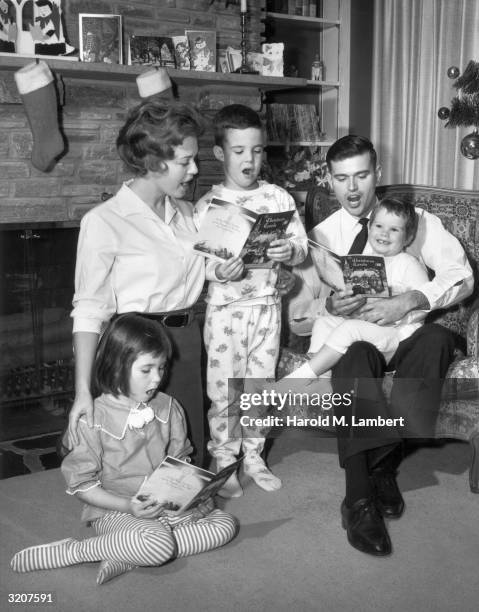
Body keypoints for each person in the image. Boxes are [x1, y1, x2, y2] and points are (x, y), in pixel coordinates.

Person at [286, 135, 474, 556]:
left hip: (407, 332)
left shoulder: (416, 221)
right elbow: (298, 321)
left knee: (439, 339)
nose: (352, 189)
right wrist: (327, 304)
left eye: (361, 175)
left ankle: (385, 463)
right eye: (341, 178)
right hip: (358, 338)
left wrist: (409, 300)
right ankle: (359, 497)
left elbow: (462, 275)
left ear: (378, 174)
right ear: (329, 181)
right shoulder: (321, 236)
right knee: (353, 355)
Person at [66, 98, 241, 468]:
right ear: (152, 161)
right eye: (184, 162)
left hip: (186, 342)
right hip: (135, 352)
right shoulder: (104, 222)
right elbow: (88, 310)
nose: (194, 170)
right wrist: (82, 392)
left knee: (187, 455)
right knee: (136, 461)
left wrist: (237, 263)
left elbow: (201, 270)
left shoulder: (188, 214)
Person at [11, 314, 238, 585]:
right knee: (158, 545)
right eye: (147, 370)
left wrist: (190, 495)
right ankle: (77, 551)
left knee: (225, 525)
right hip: (115, 509)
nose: (157, 379)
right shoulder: (93, 419)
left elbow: (179, 461)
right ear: (116, 365)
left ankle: (125, 552)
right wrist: (127, 507)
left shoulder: (169, 407)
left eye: (162, 368)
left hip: (163, 506)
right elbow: (82, 486)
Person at [194, 104, 308, 497]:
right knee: (225, 389)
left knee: (260, 384)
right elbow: (197, 265)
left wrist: (288, 252)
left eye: (257, 150)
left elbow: (301, 246)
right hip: (226, 312)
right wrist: (215, 272)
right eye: (240, 150)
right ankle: (225, 459)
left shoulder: (278, 197)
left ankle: (254, 455)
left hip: (267, 309)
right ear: (220, 153)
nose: (250, 159)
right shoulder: (208, 205)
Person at [281, 198, 429, 381]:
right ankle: (322, 380)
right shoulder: (364, 261)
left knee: (349, 329)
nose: (384, 234)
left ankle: (298, 379)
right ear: (369, 228)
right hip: (366, 328)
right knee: (324, 323)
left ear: (407, 237)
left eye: (394, 229)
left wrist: (396, 305)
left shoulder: (409, 264)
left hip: (397, 336)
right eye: (379, 226)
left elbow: (425, 303)